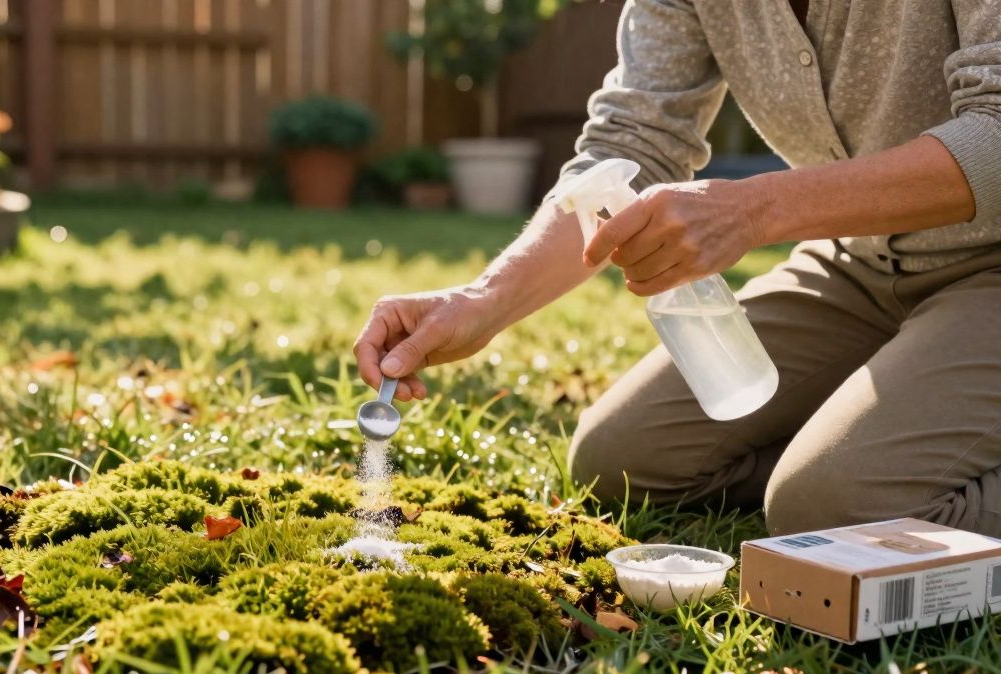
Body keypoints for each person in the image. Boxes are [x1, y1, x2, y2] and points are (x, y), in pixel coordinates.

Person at [353, 0, 1001, 536]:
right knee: (624, 462)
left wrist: (757, 209)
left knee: (836, 509)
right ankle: (873, 442)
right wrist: (481, 301)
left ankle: (858, 464)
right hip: (860, 260)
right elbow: (629, 143)